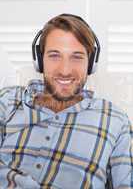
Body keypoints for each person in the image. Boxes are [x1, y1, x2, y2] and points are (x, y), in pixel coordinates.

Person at [0, 13, 132, 189]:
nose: (65, 70)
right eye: (54, 55)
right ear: (39, 60)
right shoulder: (8, 101)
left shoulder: (115, 120)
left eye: (77, 57)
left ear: (91, 63)